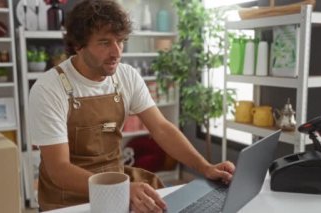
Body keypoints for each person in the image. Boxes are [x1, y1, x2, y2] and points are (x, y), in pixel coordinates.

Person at [28, 0, 235, 212]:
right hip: (68, 200)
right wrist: (121, 189)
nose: (117, 52)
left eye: (120, 41)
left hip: (118, 186)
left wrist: (205, 167)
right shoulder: (49, 89)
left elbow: (161, 128)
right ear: (78, 45)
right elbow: (59, 170)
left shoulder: (126, 76)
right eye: (105, 42)